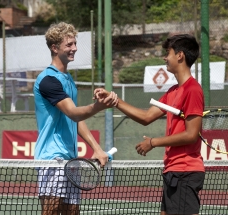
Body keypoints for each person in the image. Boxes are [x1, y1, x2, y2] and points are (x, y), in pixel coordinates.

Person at [95, 34, 205, 215]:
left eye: (167, 53)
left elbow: (191, 134)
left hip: (185, 171)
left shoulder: (193, 90)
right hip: (173, 171)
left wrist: (153, 142)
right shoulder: (173, 91)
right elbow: (146, 117)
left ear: (180, 56)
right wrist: (114, 100)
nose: (165, 57)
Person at [33, 22, 118, 215]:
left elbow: (75, 120)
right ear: (55, 48)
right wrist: (100, 106)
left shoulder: (68, 79)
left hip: (69, 160)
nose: (75, 48)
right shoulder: (48, 80)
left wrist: (96, 148)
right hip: (51, 160)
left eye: (74, 43)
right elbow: (73, 112)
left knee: (73, 212)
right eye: (69, 44)